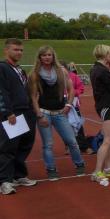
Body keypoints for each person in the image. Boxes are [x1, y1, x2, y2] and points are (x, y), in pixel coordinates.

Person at [28, 46, 85, 180]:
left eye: (49, 55)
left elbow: (71, 89)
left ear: (53, 56)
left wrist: (69, 105)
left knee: (72, 141)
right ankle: (51, 169)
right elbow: (33, 96)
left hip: (60, 112)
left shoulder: (61, 71)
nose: (47, 57)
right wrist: (39, 115)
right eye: (44, 55)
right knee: (48, 145)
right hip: (44, 112)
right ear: (39, 57)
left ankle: (79, 164)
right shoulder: (35, 74)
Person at [0, 39, 38, 194]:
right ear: (6, 50)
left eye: (21, 50)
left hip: (26, 112)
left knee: (25, 144)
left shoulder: (20, 70)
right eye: (15, 49)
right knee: (8, 148)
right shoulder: (2, 68)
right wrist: (7, 112)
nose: (19, 52)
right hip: (13, 114)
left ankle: (18, 175)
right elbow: (1, 91)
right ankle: (4, 181)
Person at [89, 44, 110, 183]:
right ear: (104, 55)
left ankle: (108, 168)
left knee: (109, 138)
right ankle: (97, 171)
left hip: (104, 105)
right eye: (109, 54)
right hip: (106, 106)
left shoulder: (97, 68)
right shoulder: (102, 71)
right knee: (109, 139)